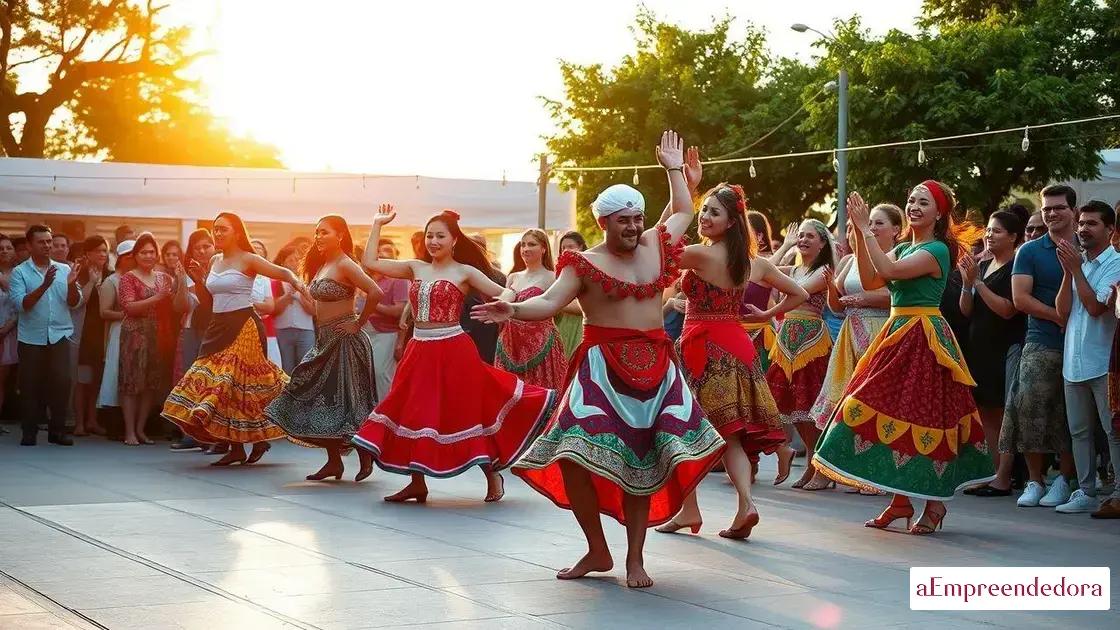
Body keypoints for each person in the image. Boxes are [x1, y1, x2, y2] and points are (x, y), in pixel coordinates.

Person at [473, 131, 726, 588]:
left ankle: (634, 559)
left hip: (655, 369)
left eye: (637, 219)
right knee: (571, 457)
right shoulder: (581, 263)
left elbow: (685, 209)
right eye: (624, 221)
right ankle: (596, 548)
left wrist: (673, 169)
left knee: (641, 462)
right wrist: (512, 308)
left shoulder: (655, 245)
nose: (633, 227)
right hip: (599, 370)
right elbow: (549, 303)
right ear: (605, 223)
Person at [813, 183, 994, 534]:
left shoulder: (938, 249)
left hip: (923, 336)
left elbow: (891, 274)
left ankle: (934, 505)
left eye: (923, 202)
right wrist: (860, 234)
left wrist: (866, 231)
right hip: (896, 333)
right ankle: (899, 501)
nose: (913, 205)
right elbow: (871, 278)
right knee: (871, 407)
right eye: (910, 199)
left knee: (924, 416)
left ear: (939, 213)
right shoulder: (904, 247)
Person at [353, 206, 556, 503]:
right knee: (414, 411)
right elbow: (369, 261)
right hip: (419, 349)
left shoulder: (465, 271)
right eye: (429, 236)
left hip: (453, 349)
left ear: (454, 241)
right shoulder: (415, 267)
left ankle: (491, 475)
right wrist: (376, 223)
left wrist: (510, 304)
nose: (433, 241)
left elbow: (503, 292)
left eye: (440, 236)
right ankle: (417, 482)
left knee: (468, 410)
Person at [656, 166, 808, 540]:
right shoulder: (753, 262)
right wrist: (768, 315)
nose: (704, 217)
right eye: (703, 209)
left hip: (704, 349)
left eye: (712, 212)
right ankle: (744, 504)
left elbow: (657, 242)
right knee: (730, 435)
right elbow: (800, 294)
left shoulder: (700, 256)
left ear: (730, 222)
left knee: (681, 431)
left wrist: (682, 189)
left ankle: (690, 511)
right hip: (736, 344)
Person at [163, 212, 305, 466]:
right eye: (215, 229)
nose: (217, 233)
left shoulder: (249, 259)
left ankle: (256, 437)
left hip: (244, 326)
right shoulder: (215, 260)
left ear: (237, 232)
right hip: (218, 325)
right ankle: (240, 447)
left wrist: (298, 282)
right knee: (232, 389)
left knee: (230, 382)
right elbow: (208, 302)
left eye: (223, 229)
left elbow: (282, 272)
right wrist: (199, 280)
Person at [266, 216, 381, 481]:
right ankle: (333, 462)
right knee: (320, 398)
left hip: (346, 339)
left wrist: (358, 324)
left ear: (340, 235)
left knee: (352, 402)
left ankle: (365, 456)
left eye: (325, 232)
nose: (318, 237)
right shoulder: (322, 264)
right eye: (317, 232)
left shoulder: (345, 263)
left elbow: (374, 292)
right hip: (324, 338)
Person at [808, 205, 901, 494]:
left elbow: (896, 294)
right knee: (838, 399)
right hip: (850, 332)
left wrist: (862, 298)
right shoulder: (849, 260)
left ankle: (872, 473)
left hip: (880, 331)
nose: (872, 228)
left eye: (879, 223)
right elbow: (835, 308)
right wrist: (830, 289)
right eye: (869, 222)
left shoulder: (897, 256)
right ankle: (826, 470)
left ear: (896, 230)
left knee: (872, 402)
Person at [1002, 184, 1078, 508]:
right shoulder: (1029, 251)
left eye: (1058, 207)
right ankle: (1034, 481)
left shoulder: (1087, 246)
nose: (1051, 213)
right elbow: (1021, 300)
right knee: (1030, 409)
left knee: (1073, 417)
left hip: (1083, 345)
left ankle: (1065, 480)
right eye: (1046, 208)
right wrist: (1060, 318)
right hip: (1040, 342)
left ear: (1073, 210)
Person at [1054, 201, 1120, 514]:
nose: (1083, 229)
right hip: (1073, 361)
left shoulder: (1116, 264)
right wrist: (1070, 272)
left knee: (1113, 431)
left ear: (1110, 230)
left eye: (1092, 223)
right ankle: (1085, 491)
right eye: (1081, 223)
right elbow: (1062, 312)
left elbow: (1095, 308)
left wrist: (1076, 269)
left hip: (1104, 362)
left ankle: (1118, 493)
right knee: (1078, 431)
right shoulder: (1077, 263)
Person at [958, 209, 1027, 497]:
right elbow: (967, 310)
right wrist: (966, 283)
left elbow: (1008, 309)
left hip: (1005, 348)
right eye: (988, 229)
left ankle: (1005, 477)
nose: (989, 235)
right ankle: (991, 473)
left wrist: (977, 283)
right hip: (979, 350)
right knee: (986, 413)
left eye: (996, 231)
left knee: (1005, 414)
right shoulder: (983, 266)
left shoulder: (1015, 266)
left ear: (1013, 237)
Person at [765, 219, 835, 490]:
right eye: (800, 236)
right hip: (787, 340)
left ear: (822, 243)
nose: (803, 240)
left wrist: (777, 277)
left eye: (809, 236)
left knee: (809, 407)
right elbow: (761, 271)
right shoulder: (793, 268)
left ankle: (818, 468)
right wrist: (785, 246)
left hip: (811, 341)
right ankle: (811, 465)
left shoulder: (825, 269)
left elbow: (801, 290)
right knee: (794, 407)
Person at [9, 225, 82, 446]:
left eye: (49, 241)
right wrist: (45, 285)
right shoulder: (20, 272)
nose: (47, 246)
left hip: (59, 334)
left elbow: (74, 303)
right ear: (30, 245)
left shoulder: (64, 269)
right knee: (30, 385)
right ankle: (29, 431)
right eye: (42, 242)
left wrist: (70, 286)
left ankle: (57, 431)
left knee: (62, 382)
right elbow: (22, 305)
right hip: (31, 337)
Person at [117, 233, 175, 446]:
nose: (148, 256)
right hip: (134, 334)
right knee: (131, 384)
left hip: (156, 334)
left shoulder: (163, 278)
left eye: (152, 252)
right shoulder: (128, 278)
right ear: (135, 255)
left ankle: (141, 429)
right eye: (144, 252)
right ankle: (129, 431)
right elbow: (128, 307)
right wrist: (156, 298)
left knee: (151, 384)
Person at [495, 229, 568, 390]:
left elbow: (560, 304)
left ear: (543, 248)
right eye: (523, 244)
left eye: (532, 244)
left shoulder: (553, 276)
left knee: (540, 392)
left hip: (541, 343)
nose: (526, 249)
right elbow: (504, 300)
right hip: (510, 343)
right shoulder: (513, 277)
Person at [168, 229, 216, 452]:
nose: (203, 251)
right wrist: (180, 280)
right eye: (198, 247)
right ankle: (190, 433)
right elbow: (180, 307)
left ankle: (214, 434)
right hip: (190, 330)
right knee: (190, 381)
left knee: (213, 384)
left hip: (216, 330)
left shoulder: (220, 270)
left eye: (208, 246)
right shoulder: (186, 273)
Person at [364, 238, 409, 400]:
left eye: (389, 251)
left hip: (385, 333)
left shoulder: (399, 279)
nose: (384, 254)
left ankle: (385, 412)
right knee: (367, 374)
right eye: (381, 251)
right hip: (365, 331)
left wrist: (373, 304)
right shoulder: (368, 278)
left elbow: (399, 310)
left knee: (381, 373)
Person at [74, 236, 110, 436]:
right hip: (84, 332)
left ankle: (92, 420)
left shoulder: (111, 275)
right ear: (87, 253)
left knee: (96, 378)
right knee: (83, 379)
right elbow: (80, 302)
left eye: (105, 250)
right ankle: (79, 422)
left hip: (102, 333)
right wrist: (93, 282)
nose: (102, 254)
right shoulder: (79, 275)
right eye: (97, 250)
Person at [97, 241, 133, 415]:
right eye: (130, 255)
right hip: (119, 331)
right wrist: (131, 314)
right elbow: (104, 312)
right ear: (122, 258)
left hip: (138, 332)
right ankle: (114, 417)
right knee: (116, 372)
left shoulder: (137, 277)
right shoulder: (111, 281)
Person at [271, 244, 316, 375]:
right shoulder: (276, 282)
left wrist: (298, 295)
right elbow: (274, 309)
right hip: (282, 330)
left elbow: (313, 310)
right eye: (291, 260)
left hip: (305, 331)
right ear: (283, 262)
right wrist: (287, 296)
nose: (295, 263)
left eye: (297, 260)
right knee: (286, 369)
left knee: (305, 369)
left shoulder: (309, 282)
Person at [555, 231, 587, 358]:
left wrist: (557, 304)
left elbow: (583, 307)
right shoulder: (559, 274)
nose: (566, 251)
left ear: (581, 247)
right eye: (563, 248)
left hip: (580, 328)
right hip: (562, 327)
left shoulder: (588, 272)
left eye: (570, 247)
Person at [0, 234, 18, 424]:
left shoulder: (20, 274)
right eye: (1, 248)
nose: (5, 251)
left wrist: (7, 327)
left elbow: (19, 306)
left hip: (7, 332)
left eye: (8, 247)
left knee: (1, 381)